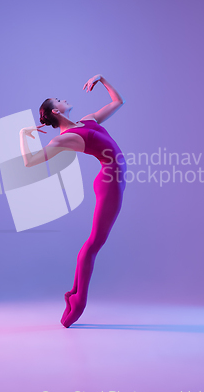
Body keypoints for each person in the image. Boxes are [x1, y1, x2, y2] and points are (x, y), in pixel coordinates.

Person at [19, 75, 127, 327]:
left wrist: (102, 79)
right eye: (59, 100)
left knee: (94, 243)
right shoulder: (63, 138)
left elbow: (118, 102)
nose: (64, 98)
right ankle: (77, 303)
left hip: (115, 180)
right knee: (94, 244)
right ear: (56, 110)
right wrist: (23, 134)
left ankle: (74, 296)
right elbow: (30, 162)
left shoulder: (87, 120)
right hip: (109, 182)